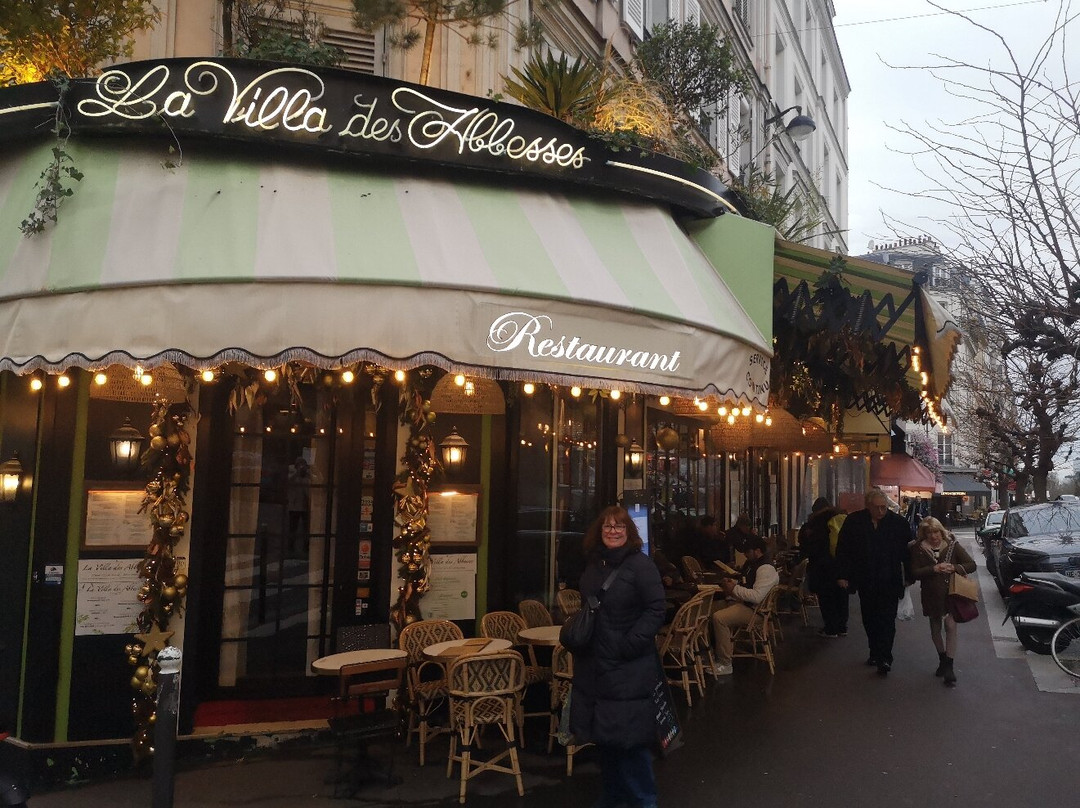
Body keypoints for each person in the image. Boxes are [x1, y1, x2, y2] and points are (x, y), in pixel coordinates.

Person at [570, 506, 666, 808]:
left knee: (631, 740)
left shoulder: (641, 565)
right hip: (595, 666)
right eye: (608, 527)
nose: (613, 532)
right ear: (599, 531)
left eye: (619, 527)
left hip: (628, 669)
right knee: (605, 739)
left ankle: (644, 801)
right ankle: (614, 796)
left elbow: (656, 609)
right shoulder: (593, 565)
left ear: (629, 532)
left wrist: (630, 644)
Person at [836, 488, 913, 675]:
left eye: (883, 507)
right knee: (869, 618)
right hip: (865, 579)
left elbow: (908, 552)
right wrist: (842, 575)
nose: (880, 511)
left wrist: (909, 576)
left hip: (890, 579)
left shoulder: (898, 524)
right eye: (877, 507)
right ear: (868, 506)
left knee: (887, 620)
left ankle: (885, 657)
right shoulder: (854, 522)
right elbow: (843, 550)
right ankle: (874, 650)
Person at [909, 517, 977, 686]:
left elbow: (971, 564)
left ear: (941, 531)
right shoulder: (918, 549)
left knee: (950, 625)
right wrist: (933, 569)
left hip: (952, 593)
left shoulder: (952, 546)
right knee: (935, 628)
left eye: (936, 532)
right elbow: (914, 572)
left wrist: (954, 567)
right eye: (929, 533)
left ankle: (949, 666)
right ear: (924, 534)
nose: (933, 536)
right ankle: (942, 658)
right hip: (931, 595)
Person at [710, 535, 779, 675]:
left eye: (748, 551)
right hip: (748, 605)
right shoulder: (754, 564)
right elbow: (748, 584)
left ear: (757, 551)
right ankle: (710, 653)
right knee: (708, 610)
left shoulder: (765, 568)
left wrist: (733, 589)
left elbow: (756, 597)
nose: (745, 555)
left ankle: (725, 663)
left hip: (756, 612)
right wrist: (734, 584)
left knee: (719, 618)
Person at [799, 497, 848, 638]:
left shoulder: (817, 522)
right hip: (840, 563)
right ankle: (842, 627)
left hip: (823, 566)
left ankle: (831, 628)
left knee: (827, 597)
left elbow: (809, 545)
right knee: (841, 595)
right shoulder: (841, 518)